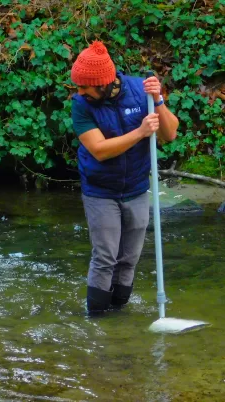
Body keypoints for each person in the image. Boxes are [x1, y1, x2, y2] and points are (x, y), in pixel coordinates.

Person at [70, 41, 179, 314]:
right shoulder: (81, 106)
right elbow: (99, 151)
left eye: (85, 86)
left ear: (104, 82)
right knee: (106, 257)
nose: (79, 92)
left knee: (129, 258)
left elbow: (170, 134)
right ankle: (95, 318)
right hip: (100, 190)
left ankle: (118, 314)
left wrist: (159, 102)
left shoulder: (139, 91)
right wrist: (140, 132)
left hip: (136, 188)